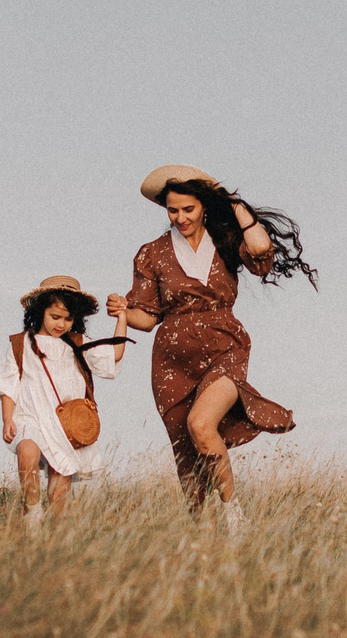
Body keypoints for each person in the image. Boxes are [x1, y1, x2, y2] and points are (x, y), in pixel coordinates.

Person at [120, 164, 316, 530]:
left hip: (224, 345)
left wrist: (233, 203)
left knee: (201, 423)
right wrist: (122, 311)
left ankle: (233, 516)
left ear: (204, 206)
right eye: (172, 210)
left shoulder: (225, 239)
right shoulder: (153, 253)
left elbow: (260, 250)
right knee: (187, 450)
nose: (180, 218)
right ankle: (200, 528)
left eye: (188, 209)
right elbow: (148, 318)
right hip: (171, 362)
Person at [0, 275, 129, 528]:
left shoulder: (76, 343)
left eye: (68, 319)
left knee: (60, 486)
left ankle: (56, 536)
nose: (61, 324)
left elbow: (115, 354)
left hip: (65, 424)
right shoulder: (20, 344)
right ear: (40, 312)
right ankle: (32, 511)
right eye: (55, 317)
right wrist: (7, 419)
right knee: (26, 451)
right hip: (30, 417)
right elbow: (8, 385)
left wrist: (122, 318)